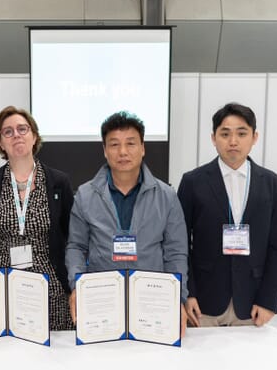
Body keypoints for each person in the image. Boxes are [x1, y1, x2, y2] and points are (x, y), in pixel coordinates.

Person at [65, 111, 188, 335]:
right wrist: (77, 285)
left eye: (130, 143)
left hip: (152, 300)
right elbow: (76, 246)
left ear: (143, 148)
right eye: (114, 144)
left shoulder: (166, 196)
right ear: (104, 150)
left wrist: (178, 298)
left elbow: (176, 252)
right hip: (102, 300)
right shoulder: (85, 195)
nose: (122, 152)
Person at [177, 102, 277, 327]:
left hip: (252, 302)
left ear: (254, 137)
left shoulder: (273, 185)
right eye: (225, 134)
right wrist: (187, 294)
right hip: (203, 303)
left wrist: (269, 301)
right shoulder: (193, 182)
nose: (233, 141)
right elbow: (180, 244)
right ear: (213, 138)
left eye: (241, 133)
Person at [0, 106, 74, 330]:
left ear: (34, 136)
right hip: (3, 286)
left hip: (51, 289)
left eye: (22, 129)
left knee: (55, 357)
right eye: (8, 132)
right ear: (0, 142)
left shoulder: (59, 182)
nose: (16, 135)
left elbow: (67, 233)